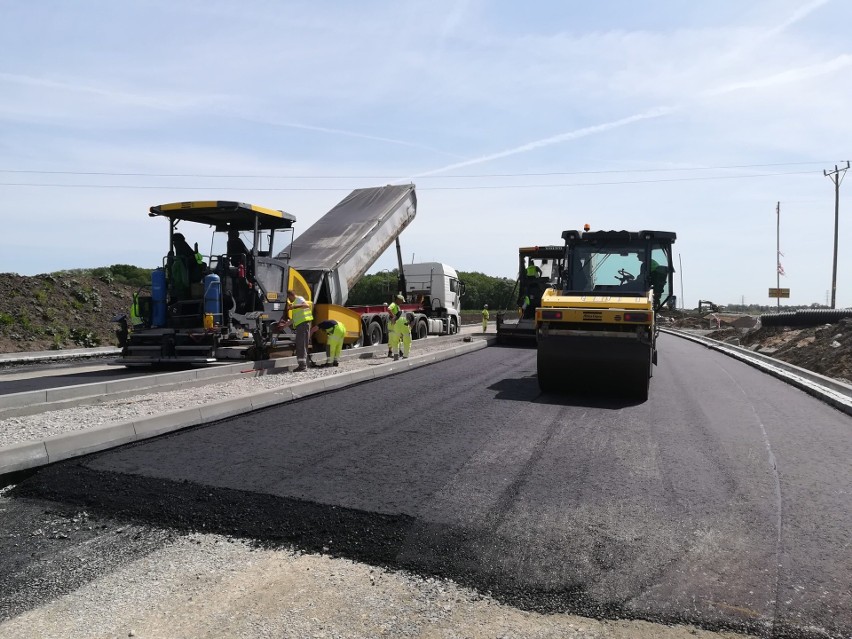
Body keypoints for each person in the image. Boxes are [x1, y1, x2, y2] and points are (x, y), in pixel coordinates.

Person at [277, 289, 314, 372]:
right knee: (300, 344)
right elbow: (294, 319)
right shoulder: (295, 303)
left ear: (291, 295)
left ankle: (303, 366)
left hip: (303, 325)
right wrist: (284, 326)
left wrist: (294, 307)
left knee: (301, 344)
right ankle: (302, 365)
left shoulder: (299, 299)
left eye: (288, 297)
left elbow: (306, 306)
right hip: (301, 325)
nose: (289, 300)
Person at [387, 293, 404, 358]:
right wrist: (393, 317)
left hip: (395, 323)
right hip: (392, 324)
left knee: (398, 337)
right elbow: (389, 309)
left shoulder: (397, 305)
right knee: (392, 337)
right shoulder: (393, 304)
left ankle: (398, 351)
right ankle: (391, 352)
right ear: (398, 300)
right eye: (401, 301)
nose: (402, 302)